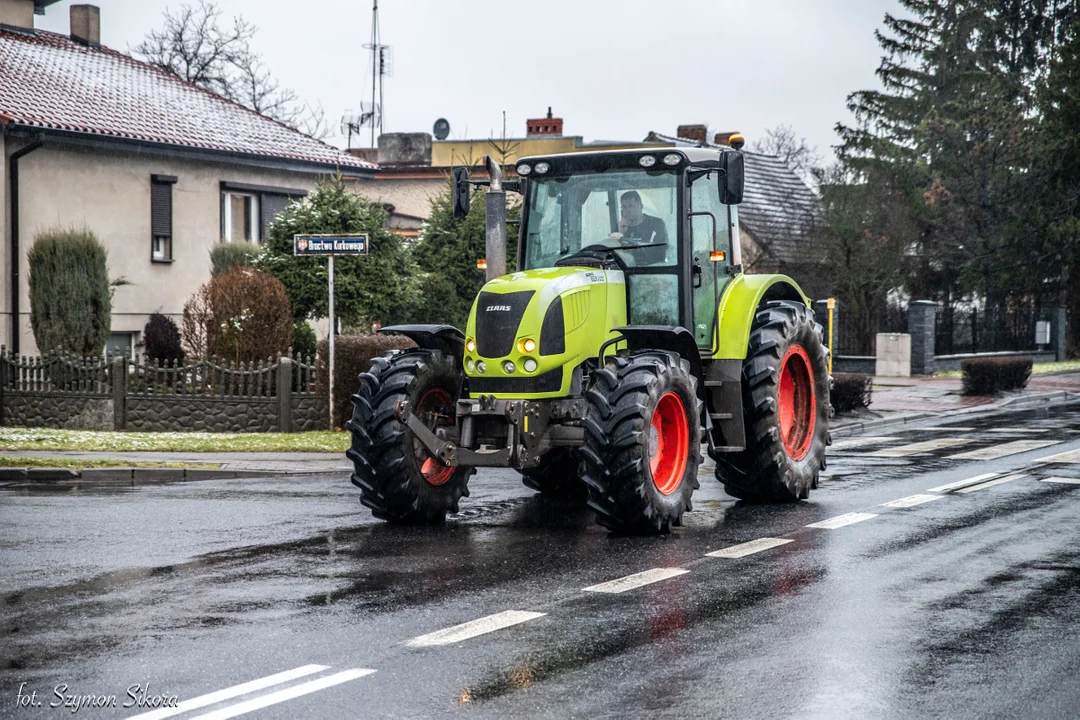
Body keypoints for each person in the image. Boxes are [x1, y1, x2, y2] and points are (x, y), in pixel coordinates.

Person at [608, 190, 668, 265]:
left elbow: (660, 253)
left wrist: (634, 248)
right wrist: (620, 233)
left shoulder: (656, 224)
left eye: (631, 206)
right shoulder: (620, 227)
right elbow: (613, 256)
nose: (627, 210)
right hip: (627, 269)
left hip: (652, 270)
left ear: (641, 206)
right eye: (624, 207)